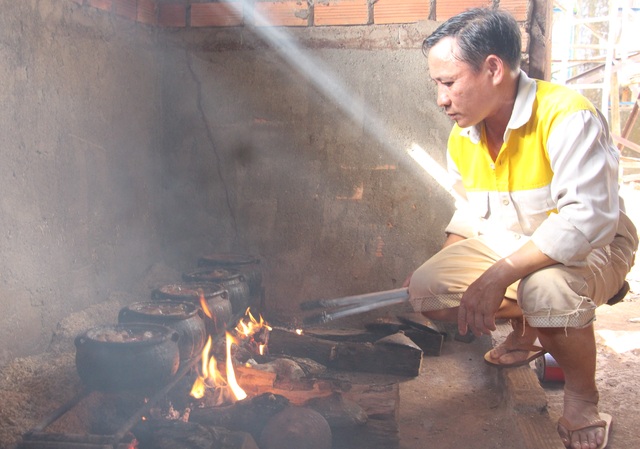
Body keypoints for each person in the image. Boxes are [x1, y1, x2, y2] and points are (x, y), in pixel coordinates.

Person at [407, 7, 638, 449]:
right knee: (427, 291)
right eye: (437, 84)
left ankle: (582, 399)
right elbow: (471, 210)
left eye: (448, 82)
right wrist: (447, 260)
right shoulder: (464, 134)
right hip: (514, 242)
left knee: (545, 288)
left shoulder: (568, 116)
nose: (441, 99)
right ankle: (533, 328)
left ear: (492, 68)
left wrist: (497, 277)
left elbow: (586, 221)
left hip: (596, 245)